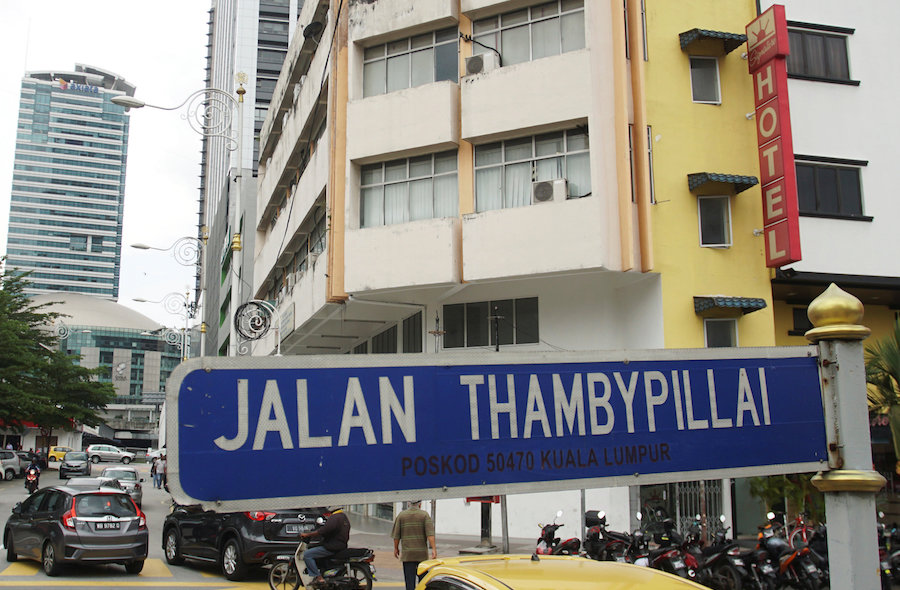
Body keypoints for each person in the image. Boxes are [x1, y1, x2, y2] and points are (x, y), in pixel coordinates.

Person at [300, 506, 351, 586]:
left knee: (307, 554)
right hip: (340, 545)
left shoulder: (335, 518)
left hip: (332, 546)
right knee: (315, 548)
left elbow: (324, 530)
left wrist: (308, 534)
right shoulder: (343, 516)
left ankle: (318, 577)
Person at [392, 500, 437, 590]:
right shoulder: (424, 515)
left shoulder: (401, 515)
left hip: (408, 555)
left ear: (409, 504)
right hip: (421, 555)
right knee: (423, 582)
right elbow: (430, 534)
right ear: (420, 504)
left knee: (409, 582)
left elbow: (396, 536)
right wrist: (434, 549)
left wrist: (396, 548)